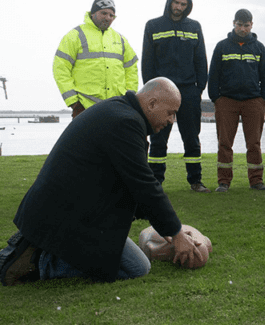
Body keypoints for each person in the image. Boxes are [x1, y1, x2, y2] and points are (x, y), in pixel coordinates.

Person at [0, 78, 201, 286]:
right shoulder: (126, 122)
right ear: (152, 104)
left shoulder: (122, 113)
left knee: (131, 261)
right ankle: (38, 262)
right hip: (63, 217)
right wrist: (176, 233)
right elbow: (145, 185)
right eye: (170, 113)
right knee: (137, 268)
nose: (172, 121)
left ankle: (38, 247)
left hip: (66, 212)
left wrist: (167, 229)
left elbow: (131, 186)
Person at [142, 0, 210, 193]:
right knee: (158, 137)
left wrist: (199, 89)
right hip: (161, 91)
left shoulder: (194, 27)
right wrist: (152, 90)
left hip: (189, 90)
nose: (179, 7)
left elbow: (201, 61)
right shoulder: (153, 26)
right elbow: (147, 62)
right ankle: (156, 182)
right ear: (169, 2)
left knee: (191, 136)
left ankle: (195, 181)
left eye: (183, 4)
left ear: (188, 6)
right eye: (176, 2)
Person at [207, 9, 265, 192]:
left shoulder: (259, 48)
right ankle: (224, 182)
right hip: (227, 101)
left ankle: (256, 181)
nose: (243, 28)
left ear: (252, 25)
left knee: (254, 143)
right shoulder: (222, 47)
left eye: (246, 25)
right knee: (225, 143)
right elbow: (213, 75)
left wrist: (263, 98)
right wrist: (216, 98)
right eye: (239, 25)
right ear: (233, 24)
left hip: (253, 101)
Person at [53, 0, 139, 118]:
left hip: (117, 108)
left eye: (111, 15)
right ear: (93, 13)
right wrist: (74, 103)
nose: (108, 18)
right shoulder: (75, 36)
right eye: (104, 13)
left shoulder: (120, 39)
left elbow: (131, 70)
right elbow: (60, 69)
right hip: (84, 108)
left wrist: (129, 98)